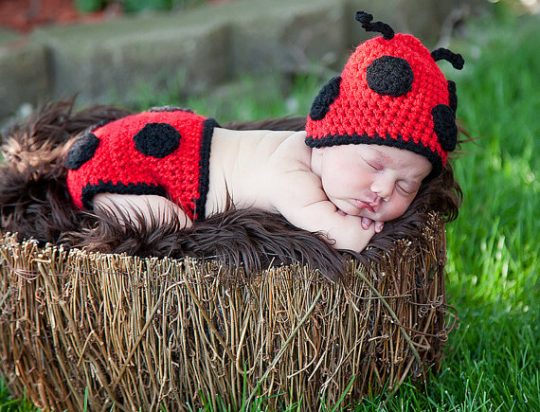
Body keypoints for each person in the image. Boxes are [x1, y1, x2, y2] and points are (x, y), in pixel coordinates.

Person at [64, 11, 464, 253]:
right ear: (328, 139)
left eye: (406, 187)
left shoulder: (323, 159)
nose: (382, 191)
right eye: (375, 165)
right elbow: (334, 232)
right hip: (139, 166)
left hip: (186, 141)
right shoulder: (292, 175)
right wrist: (357, 233)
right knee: (169, 229)